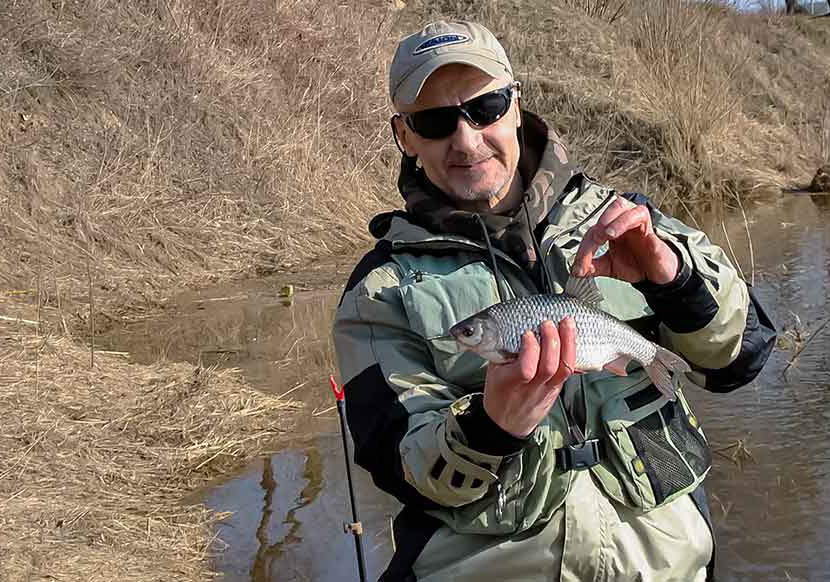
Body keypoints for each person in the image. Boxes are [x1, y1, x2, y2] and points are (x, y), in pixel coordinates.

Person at [332, 20, 776, 582]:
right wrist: (489, 429)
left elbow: (739, 358)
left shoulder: (624, 221)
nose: (465, 141)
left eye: (485, 107)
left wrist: (674, 279)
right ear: (405, 136)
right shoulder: (380, 292)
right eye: (435, 122)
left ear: (516, 106)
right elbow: (399, 465)